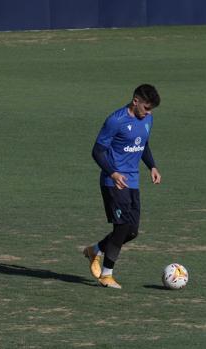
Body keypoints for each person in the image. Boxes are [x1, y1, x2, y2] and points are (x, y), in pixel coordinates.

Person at [84, 84, 161, 289]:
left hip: (133, 181)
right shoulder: (115, 120)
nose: (149, 113)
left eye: (151, 109)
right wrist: (113, 172)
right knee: (122, 227)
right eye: (146, 108)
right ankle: (106, 275)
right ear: (135, 101)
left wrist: (151, 166)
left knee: (132, 231)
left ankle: (95, 250)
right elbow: (97, 152)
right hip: (113, 182)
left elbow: (142, 144)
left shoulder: (147, 119)